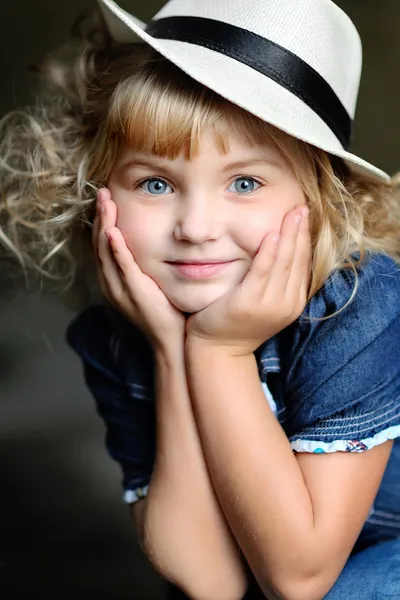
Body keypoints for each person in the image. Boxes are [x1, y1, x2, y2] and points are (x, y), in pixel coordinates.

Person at [1, 0, 400, 598]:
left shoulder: (360, 304)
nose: (196, 227)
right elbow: (207, 581)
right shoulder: (117, 333)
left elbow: (299, 578)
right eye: (155, 183)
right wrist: (170, 349)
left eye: (245, 182)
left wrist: (219, 351)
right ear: (100, 191)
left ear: (319, 201)